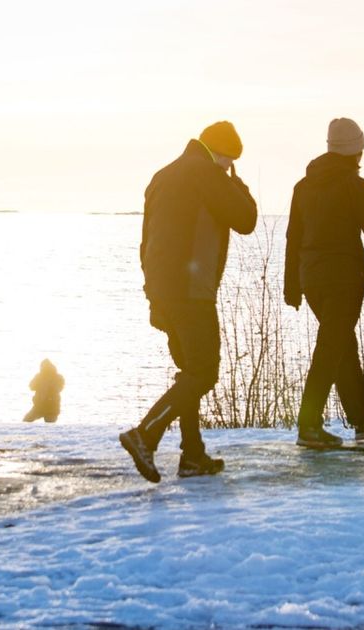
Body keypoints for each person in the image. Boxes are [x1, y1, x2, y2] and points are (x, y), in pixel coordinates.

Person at [119, 121, 258, 482]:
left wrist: (153, 294)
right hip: (191, 291)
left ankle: (193, 455)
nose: (230, 166)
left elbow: (147, 238)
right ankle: (145, 434)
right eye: (230, 160)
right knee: (203, 371)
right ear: (221, 153)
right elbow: (246, 220)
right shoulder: (208, 174)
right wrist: (237, 184)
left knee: (188, 374)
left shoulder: (163, 175)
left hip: (162, 288)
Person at [285, 118, 364, 448]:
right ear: (355, 151)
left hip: (311, 278)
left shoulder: (303, 187)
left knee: (341, 345)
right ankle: (308, 425)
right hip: (344, 280)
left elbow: (293, 238)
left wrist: (292, 286)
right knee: (331, 348)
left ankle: (360, 419)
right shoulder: (355, 186)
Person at [23, 359, 64, 423]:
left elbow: (59, 388)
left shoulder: (56, 377)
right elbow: (31, 387)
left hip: (50, 406)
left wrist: (47, 387)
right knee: (26, 421)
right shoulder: (40, 376)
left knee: (26, 422)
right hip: (41, 406)